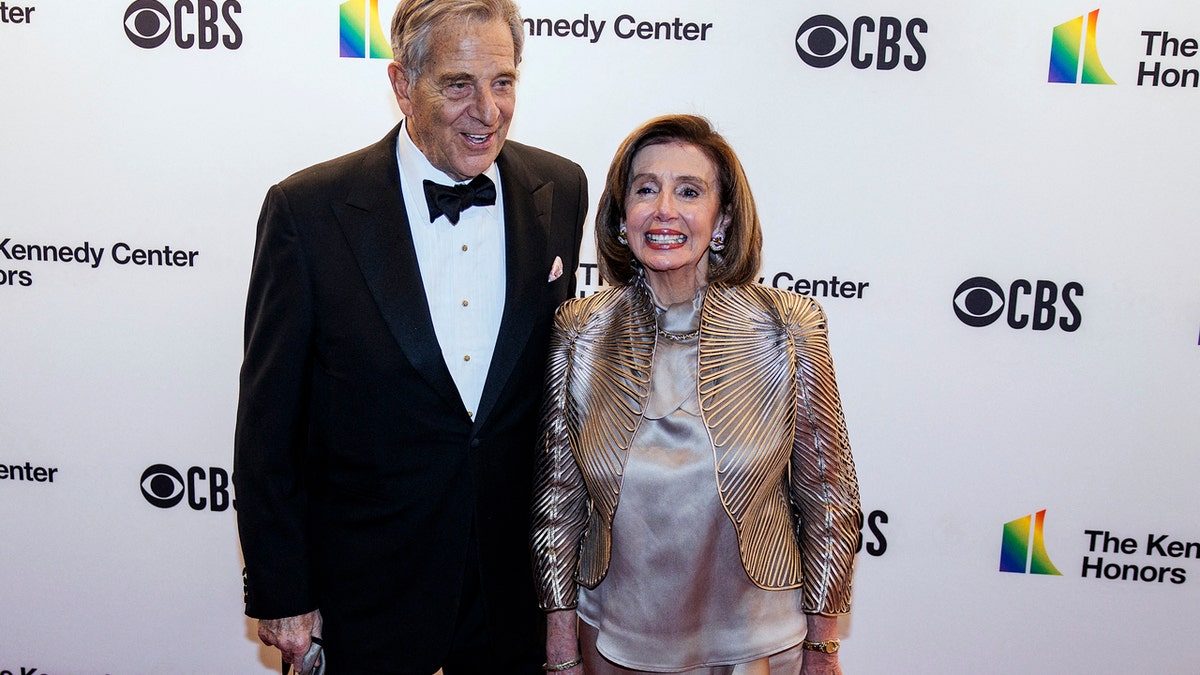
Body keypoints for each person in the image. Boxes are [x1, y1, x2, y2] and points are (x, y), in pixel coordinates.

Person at [233, 0, 588, 672]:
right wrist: (283, 589)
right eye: (458, 84)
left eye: (504, 82)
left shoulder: (559, 188)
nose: (487, 110)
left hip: (510, 590)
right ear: (401, 85)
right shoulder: (308, 210)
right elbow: (267, 422)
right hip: (364, 586)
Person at [530, 115, 861, 675]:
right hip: (613, 641)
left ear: (722, 217)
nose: (664, 210)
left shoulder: (786, 327)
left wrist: (823, 647)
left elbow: (829, 500)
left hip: (758, 644)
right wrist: (560, 646)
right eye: (644, 189)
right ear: (619, 216)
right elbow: (559, 506)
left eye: (689, 191)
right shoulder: (580, 330)